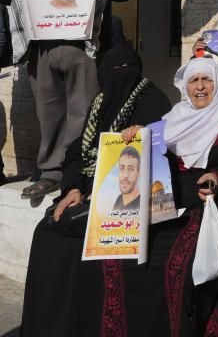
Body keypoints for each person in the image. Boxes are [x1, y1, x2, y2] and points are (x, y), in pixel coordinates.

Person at [92, 55, 218, 336]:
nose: (199, 87)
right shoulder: (176, 117)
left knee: (177, 265)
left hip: (214, 204)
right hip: (172, 201)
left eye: (206, 79)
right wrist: (138, 134)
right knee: (122, 256)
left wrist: (217, 179)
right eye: (193, 80)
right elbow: (155, 150)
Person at [19, 45, 171, 337]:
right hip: (87, 190)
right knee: (46, 233)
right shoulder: (100, 103)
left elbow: (162, 154)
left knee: (76, 250)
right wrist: (74, 187)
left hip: (131, 203)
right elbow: (77, 151)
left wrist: (144, 135)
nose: (121, 78)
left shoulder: (154, 101)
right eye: (114, 72)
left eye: (129, 71)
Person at [1, 0, 133, 199]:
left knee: (82, 115)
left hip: (83, 48)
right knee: (49, 114)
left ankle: (77, 173)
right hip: (42, 50)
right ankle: (50, 172)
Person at [112, 145, 141, 211]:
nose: (125, 175)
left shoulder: (143, 204)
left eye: (131, 169)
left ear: (138, 173)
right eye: (122, 168)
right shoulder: (119, 199)